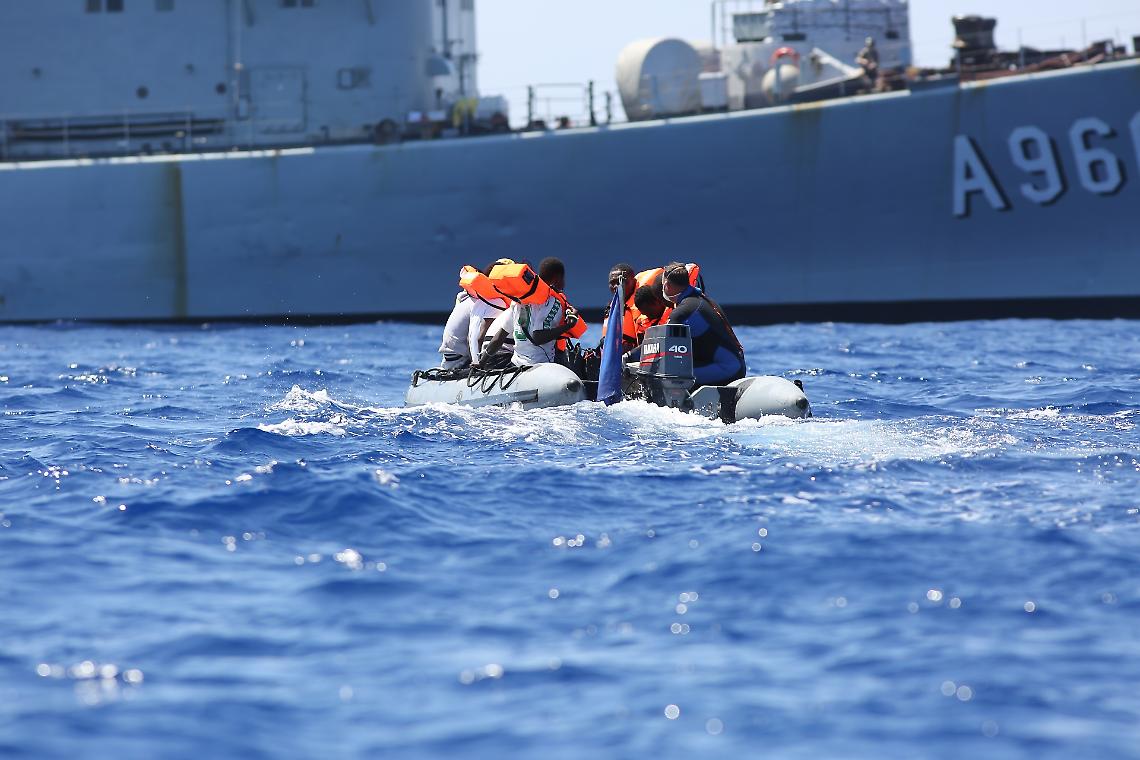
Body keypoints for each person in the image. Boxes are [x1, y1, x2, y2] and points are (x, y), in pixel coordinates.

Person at [479, 257, 580, 367]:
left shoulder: (518, 301)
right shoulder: (552, 301)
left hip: (516, 365)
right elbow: (538, 338)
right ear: (558, 279)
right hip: (539, 364)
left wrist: (482, 363)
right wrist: (568, 326)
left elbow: (499, 337)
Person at [662, 263, 746, 387]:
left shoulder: (682, 311)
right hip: (736, 366)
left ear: (666, 285)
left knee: (666, 373)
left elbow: (662, 344)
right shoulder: (704, 301)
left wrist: (629, 356)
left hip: (725, 370)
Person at [437, 290, 475, 369]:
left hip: (448, 358)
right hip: (460, 360)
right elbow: (471, 338)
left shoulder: (463, 299)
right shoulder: (479, 305)